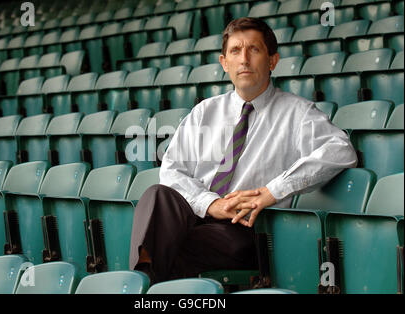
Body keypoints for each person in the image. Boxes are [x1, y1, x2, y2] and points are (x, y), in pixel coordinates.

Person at [129, 17, 358, 284]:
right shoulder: (205, 111)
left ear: (272, 60)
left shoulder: (298, 113)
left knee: (163, 243)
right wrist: (211, 204)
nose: (244, 59)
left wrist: (274, 191)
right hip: (199, 215)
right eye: (236, 51)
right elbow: (171, 170)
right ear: (224, 63)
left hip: (244, 229)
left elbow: (341, 150)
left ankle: (140, 286)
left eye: (255, 49)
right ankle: (145, 284)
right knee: (157, 194)